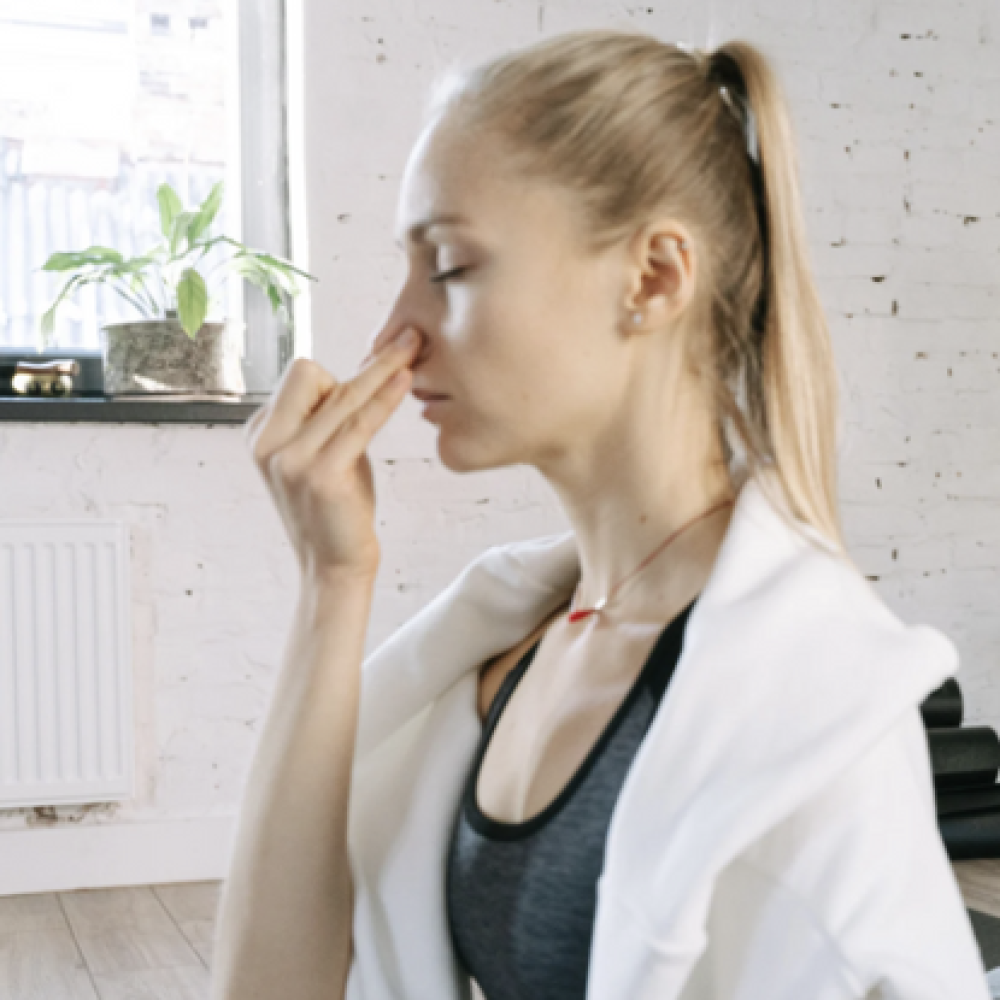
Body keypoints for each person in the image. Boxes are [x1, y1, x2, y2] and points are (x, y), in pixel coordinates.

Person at [211, 29, 990, 1000]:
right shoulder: (513, 642)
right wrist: (334, 580)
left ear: (655, 277)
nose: (391, 335)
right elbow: (269, 986)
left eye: (448, 265)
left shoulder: (812, 708)